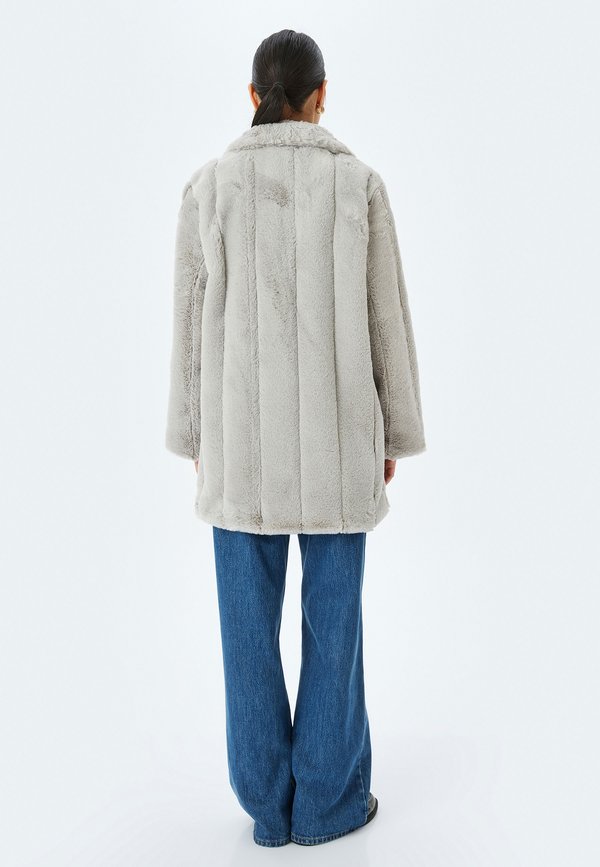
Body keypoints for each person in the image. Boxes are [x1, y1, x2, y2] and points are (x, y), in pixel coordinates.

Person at [165, 28, 426, 847]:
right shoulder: (358, 186)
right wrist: (395, 431)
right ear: (322, 97)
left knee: (245, 630)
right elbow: (386, 321)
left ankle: (267, 807)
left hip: (239, 446)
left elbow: (189, 332)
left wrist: (195, 434)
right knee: (334, 623)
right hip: (339, 440)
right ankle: (328, 801)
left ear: (254, 96)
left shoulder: (208, 189)